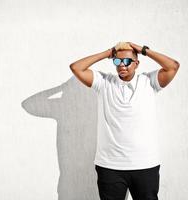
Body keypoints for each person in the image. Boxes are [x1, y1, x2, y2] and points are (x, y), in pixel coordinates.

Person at [69, 42, 180, 200]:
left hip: (145, 165)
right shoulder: (103, 82)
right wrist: (109, 52)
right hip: (110, 166)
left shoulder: (149, 82)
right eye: (117, 61)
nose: (122, 65)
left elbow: (173, 66)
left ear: (137, 63)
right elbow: (76, 67)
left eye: (127, 61)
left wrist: (142, 50)